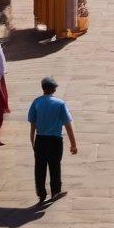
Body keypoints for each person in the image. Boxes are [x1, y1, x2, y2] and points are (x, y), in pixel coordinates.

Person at [28, 76, 77, 204]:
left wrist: (32, 141)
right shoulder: (60, 104)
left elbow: (32, 124)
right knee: (55, 166)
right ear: (54, 89)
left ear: (43, 88)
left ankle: (41, 192)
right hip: (55, 140)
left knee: (40, 167)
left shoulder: (36, 102)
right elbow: (68, 125)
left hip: (40, 139)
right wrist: (73, 144)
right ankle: (55, 191)